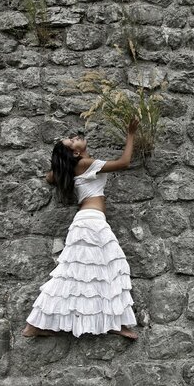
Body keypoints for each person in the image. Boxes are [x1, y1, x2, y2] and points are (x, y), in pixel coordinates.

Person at [22, 118, 140, 340]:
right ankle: (33, 324)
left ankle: (113, 321)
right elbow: (124, 163)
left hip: (89, 222)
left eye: (74, 138)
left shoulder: (73, 168)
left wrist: (63, 163)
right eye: (72, 141)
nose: (76, 137)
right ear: (75, 154)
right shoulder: (85, 164)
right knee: (86, 272)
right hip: (91, 223)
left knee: (102, 271)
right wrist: (131, 134)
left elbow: (50, 177)